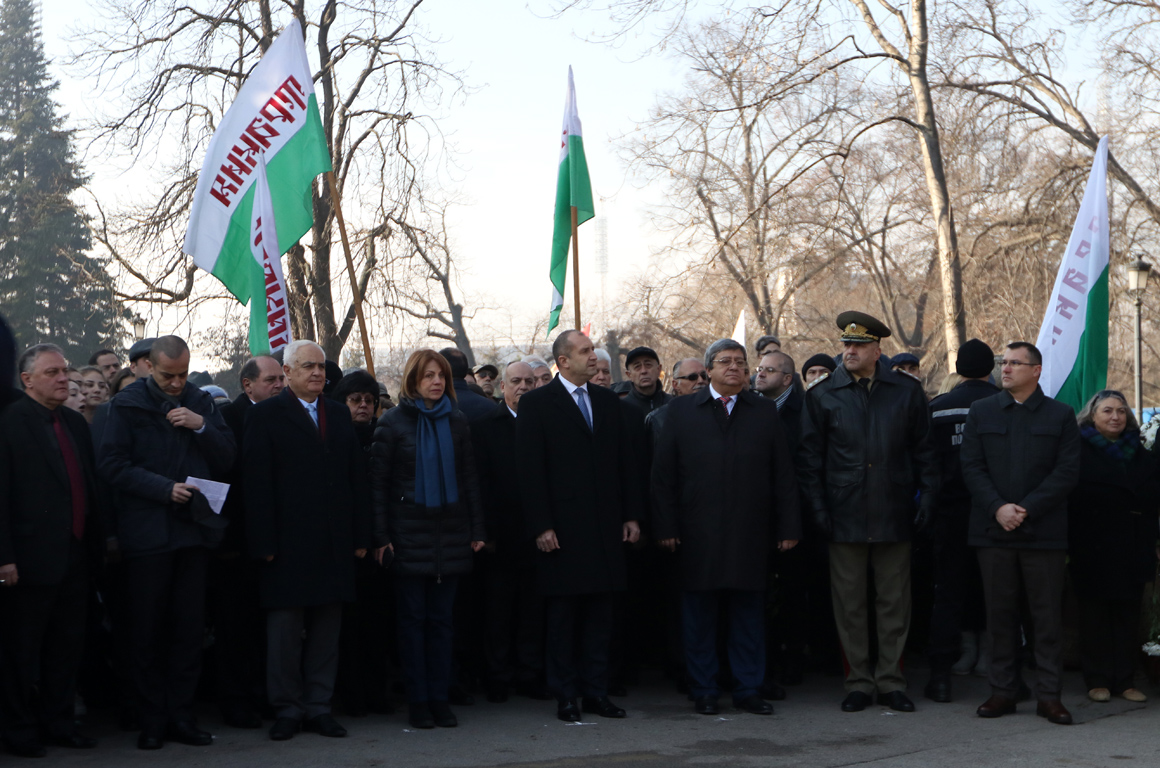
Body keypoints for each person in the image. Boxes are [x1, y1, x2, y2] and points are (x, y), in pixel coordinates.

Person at [99, 335, 235, 750]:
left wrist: (203, 427)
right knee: (147, 631)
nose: (176, 384)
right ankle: (152, 718)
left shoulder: (202, 401)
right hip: (147, 535)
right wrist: (163, 489)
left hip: (193, 534)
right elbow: (111, 465)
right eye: (167, 376)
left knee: (188, 631)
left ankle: (182, 715)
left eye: (181, 375)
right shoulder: (126, 405)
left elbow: (229, 457)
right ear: (147, 367)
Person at [652, 338, 801, 716]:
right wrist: (665, 525)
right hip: (695, 532)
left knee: (747, 616)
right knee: (699, 617)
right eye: (724, 362)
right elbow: (663, 476)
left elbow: (782, 474)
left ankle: (748, 689)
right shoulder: (682, 411)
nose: (733, 367)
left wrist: (788, 526)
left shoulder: (763, 412)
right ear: (709, 371)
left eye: (740, 362)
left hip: (749, 533)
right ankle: (704, 689)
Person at [798, 311, 937, 714]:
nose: (850, 351)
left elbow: (925, 453)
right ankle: (858, 682)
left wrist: (927, 497)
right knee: (850, 605)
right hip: (844, 515)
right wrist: (819, 509)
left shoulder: (906, 392)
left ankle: (891, 681)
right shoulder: (823, 394)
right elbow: (809, 461)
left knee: (894, 603)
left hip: (893, 511)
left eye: (858, 345)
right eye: (846, 345)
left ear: (878, 350)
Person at [245, 341, 371, 742]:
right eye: (307, 366)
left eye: (321, 366)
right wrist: (263, 541)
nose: (318, 373)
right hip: (286, 545)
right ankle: (287, 708)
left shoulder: (336, 412)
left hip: (334, 543)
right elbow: (256, 484)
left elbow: (356, 479)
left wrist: (360, 536)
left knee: (325, 633)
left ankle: (319, 707)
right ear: (287, 372)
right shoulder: (266, 415)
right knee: (284, 633)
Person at [517, 330, 642, 722]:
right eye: (585, 352)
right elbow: (529, 471)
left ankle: (596, 692)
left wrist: (632, 515)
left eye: (593, 351)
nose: (594, 358)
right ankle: (565, 695)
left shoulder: (608, 402)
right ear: (563, 360)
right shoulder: (537, 404)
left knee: (600, 619)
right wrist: (541, 525)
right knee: (563, 620)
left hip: (605, 529)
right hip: (562, 532)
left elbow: (626, 464)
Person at [960, 341, 1081, 725]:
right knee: (999, 618)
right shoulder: (981, 411)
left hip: (1042, 533)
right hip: (992, 532)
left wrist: (1025, 509)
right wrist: (999, 508)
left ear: (1036, 370)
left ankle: (1050, 696)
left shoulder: (1061, 415)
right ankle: (1003, 692)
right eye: (1003, 362)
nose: (1005, 369)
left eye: (1015, 363)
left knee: (1046, 620)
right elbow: (972, 467)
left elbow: (1066, 473)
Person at [370, 349, 486, 729]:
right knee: (412, 623)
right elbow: (379, 488)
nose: (436, 382)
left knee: (442, 623)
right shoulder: (392, 423)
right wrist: (382, 537)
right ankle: (418, 701)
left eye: (441, 376)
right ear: (412, 381)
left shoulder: (457, 421)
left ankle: (440, 697)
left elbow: (470, 480)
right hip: (407, 538)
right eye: (428, 376)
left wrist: (477, 531)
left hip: (451, 536)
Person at [0, 345, 103, 757]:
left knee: (66, 648)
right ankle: (18, 729)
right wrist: (3, 556)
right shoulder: (10, 424)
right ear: (27, 380)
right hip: (27, 562)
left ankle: (59, 723)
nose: (64, 378)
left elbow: (89, 488)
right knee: (21, 653)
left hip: (75, 557)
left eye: (64, 371)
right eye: (52, 373)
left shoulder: (75, 424)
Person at [1068, 390, 1157, 704]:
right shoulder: (1077, 451)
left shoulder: (1142, 453)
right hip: (1092, 545)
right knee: (1094, 616)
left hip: (1134, 545)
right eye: (1107, 411)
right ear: (1092, 416)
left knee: (1128, 616)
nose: (1115, 417)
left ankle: (1126, 680)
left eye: (1121, 411)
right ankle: (1097, 679)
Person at [923, 340, 999, 703]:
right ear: (991, 368)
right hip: (996, 513)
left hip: (949, 513)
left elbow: (926, 464)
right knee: (1000, 590)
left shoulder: (937, 408)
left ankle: (941, 675)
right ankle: (1000, 665)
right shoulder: (1005, 406)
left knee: (948, 593)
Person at [211, 355, 284, 729]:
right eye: (271, 379)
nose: (279, 385)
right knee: (236, 630)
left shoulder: (285, 417)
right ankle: (237, 701)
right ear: (247, 385)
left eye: (282, 379)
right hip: (236, 547)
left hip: (276, 545)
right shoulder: (228, 421)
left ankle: (265, 695)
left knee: (266, 630)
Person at [473, 361, 546, 702]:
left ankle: (529, 673)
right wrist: (484, 531)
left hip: (540, 536)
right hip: (500, 537)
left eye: (529, 381)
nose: (523, 387)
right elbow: (480, 484)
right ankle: (498, 676)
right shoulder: (487, 425)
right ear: (502, 387)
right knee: (498, 613)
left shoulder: (548, 423)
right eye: (515, 381)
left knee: (533, 611)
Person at [439, 348, 497, 422]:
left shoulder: (434, 407)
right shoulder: (491, 407)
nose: (488, 378)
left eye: (492, 376)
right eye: (482, 375)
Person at [617, 346, 671, 415]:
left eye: (648, 365)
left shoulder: (672, 405)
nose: (643, 371)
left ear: (659, 369)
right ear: (629, 375)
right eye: (637, 367)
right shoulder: (622, 409)